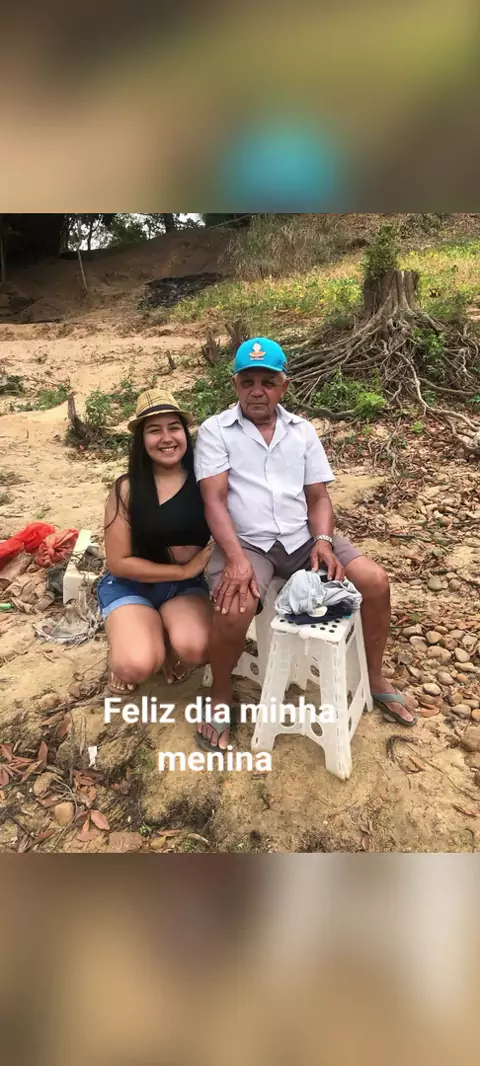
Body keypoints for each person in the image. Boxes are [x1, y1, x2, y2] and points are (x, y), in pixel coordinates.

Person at [194, 337, 418, 751]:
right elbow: (214, 500)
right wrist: (237, 559)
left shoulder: (301, 431)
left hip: (301, 537)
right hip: (248, 543)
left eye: (267, 382)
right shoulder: (216, 431)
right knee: (234, 606)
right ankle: (221, 694)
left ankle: (374, 676)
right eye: (248, 382)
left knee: (375, 581)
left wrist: (323, 541)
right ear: (235, 384)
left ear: (284, 386)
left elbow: (318, 497)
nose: (257, 391)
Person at [98, 388, 213, 694]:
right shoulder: (127, 489)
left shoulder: (205, 481)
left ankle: (165, 636)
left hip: (184, 590)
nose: (166, 438)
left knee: (199, 649)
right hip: (132, 586)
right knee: (135, 665)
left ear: (185, 433)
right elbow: (118, 563)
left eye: (174, 428)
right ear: (141, 439)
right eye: (154, 430)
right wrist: (183, 570)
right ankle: (126, 642)